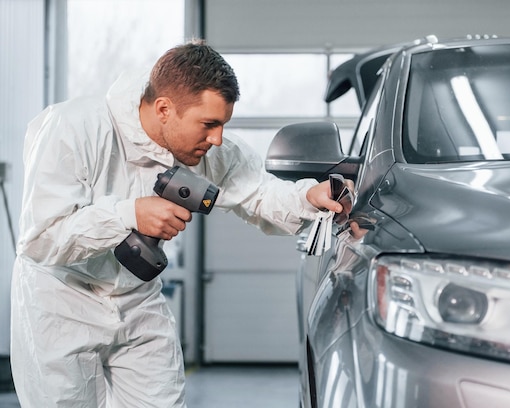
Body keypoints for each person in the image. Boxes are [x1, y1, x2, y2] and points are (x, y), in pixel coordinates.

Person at [10, 39, 345, 407]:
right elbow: (41, 239)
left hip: (137, 300)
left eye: (222, 125)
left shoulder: (200, 149)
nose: (216, 139)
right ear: (165, 108)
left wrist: (307, 197)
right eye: (209, 124)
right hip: (61, 301)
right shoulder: (74, 128)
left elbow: (259, 193)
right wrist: (129, 214)